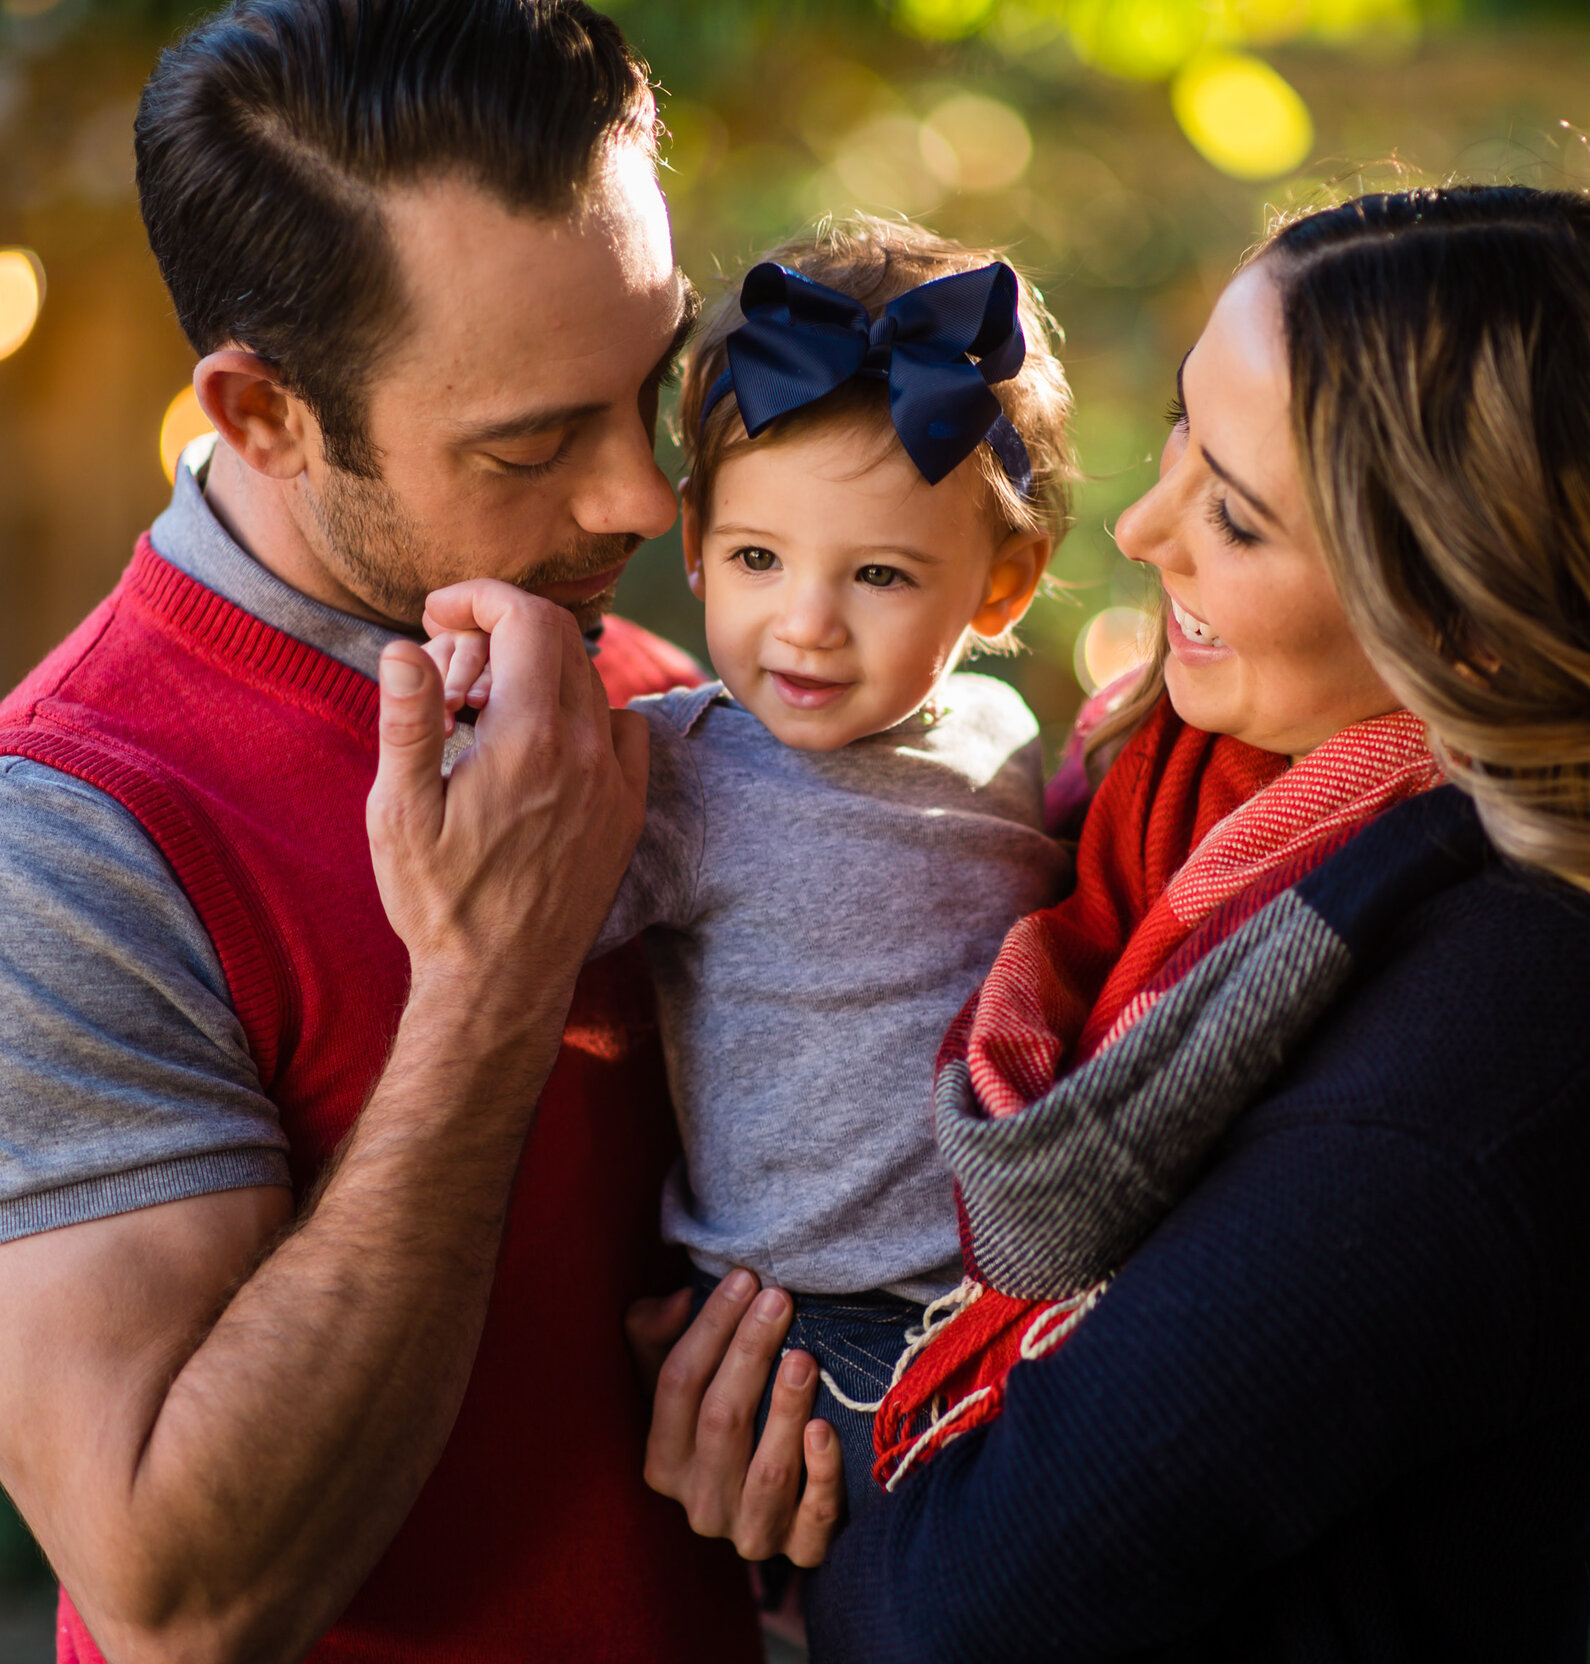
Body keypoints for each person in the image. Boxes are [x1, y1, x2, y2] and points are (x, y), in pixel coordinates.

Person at [636, 185, 1590, 1660]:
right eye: (1183, 433)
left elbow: (972, 1614)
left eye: (1234, 514)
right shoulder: (1167, 797)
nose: (1142, 528)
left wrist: (813, 1487)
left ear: (1468, 614)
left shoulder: (1549, 994)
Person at [0, 3, 758, 1660]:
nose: (640, 495)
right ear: (260, 414)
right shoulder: (29, 862)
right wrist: (490, 988)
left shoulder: (651, 701)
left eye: (653, 384)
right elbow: (185, 1604)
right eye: (535, 440)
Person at [424, 220, 1076, 1521]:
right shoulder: (677, 767)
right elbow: (511, 901)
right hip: (810, 1324)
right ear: (698, 545)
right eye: (758, 560)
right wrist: (471, 711)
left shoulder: (1001, 737)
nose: (806, 623)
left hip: (1001, 1293)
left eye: (879, 574)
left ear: (1001, 589)